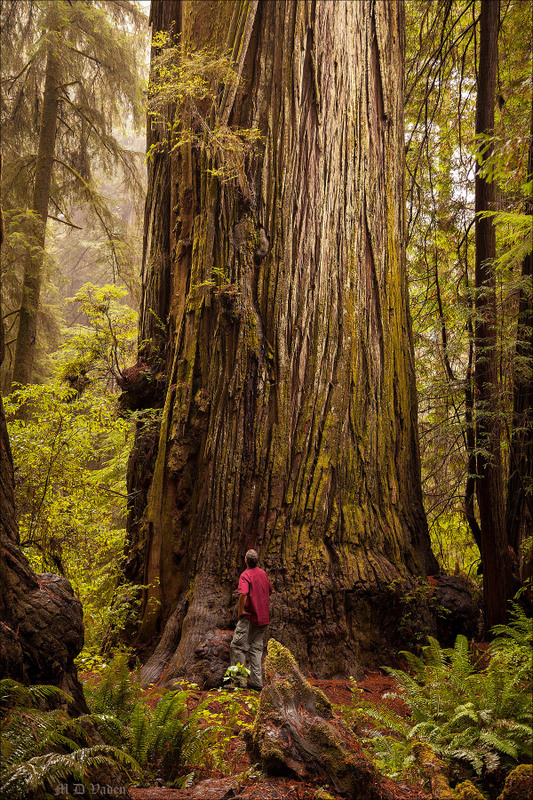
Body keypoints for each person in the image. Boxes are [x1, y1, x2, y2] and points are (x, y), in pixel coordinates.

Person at [229, 549, 273, 690]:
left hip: (248, 617)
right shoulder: (263, 574)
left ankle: (239, 682)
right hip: (263, 618)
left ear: (246, 561)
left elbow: (243, 593)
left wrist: (241, 610)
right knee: (256, 649)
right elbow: (271, 591)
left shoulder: (245, 575)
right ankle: (256, 682)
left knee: (237, 647)